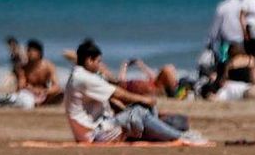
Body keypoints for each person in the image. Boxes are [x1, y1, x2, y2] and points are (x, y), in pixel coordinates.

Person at [63, 39, 194, 144]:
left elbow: (112, 99)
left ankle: (166, 129)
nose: (99, 66)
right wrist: (143, 99)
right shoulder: (85, 78)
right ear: (89, 60)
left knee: (177, 120)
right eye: (98, 62)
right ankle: (181, 137)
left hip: (101, 127)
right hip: (96, 134)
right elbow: (118, 93)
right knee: (139, 112)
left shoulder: (79, 75)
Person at [208, 0, 242, 85]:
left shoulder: (222, 6)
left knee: (224, 64)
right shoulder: (243, 4)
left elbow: (216, 27)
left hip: (226, 42)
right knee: (241, 63)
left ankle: (223, 82)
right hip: (241, 41)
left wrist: (211, 41)